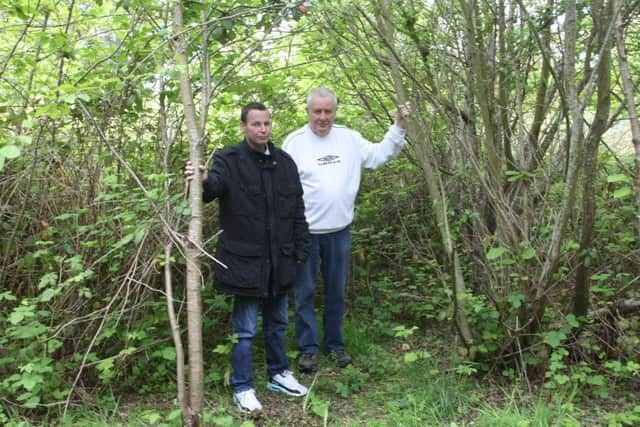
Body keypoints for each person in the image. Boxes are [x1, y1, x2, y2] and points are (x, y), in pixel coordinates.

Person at [185, 102, 311, 412]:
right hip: (245, 263)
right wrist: (201, 178)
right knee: (244, 330)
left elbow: (297, 211)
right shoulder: (228, 160)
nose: (263, 129)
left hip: (280, 261)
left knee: (278, 323)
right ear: (243, 126)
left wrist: (301, 249)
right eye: (256, 124)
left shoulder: (285, 162)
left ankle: (278, 373)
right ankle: (242, 386)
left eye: (267, 123)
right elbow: (212, 188)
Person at [282, 87, 409, 373]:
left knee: (336, 292)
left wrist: (399, 125)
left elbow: (378, 156)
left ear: (335, 111)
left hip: (340, 231)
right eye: (318, 111)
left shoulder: (349, 138)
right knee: (304, 292)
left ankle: (335, 345)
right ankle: (308, 349)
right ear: (308, 112)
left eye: (328, 111)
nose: (323, 117)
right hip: (305, 234)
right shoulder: (294, 142)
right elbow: (280, 187)